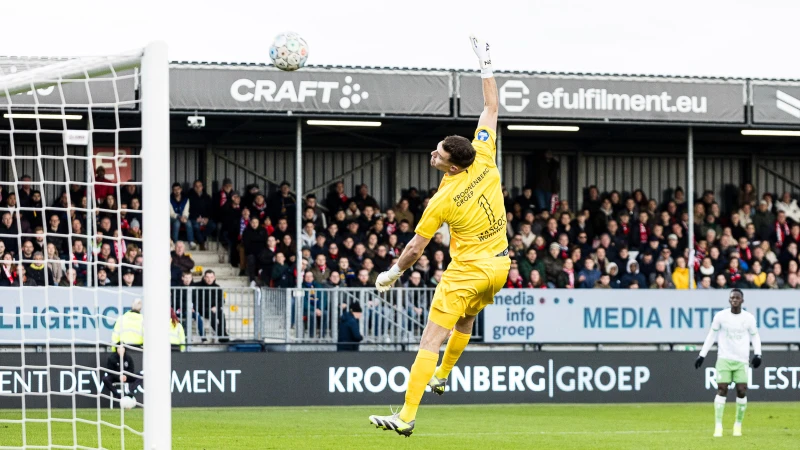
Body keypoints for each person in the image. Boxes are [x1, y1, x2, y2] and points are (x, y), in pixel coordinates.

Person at [369, 36, 509, 437]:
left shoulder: (440, 201)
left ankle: (407, 416)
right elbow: (490, 107)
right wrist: (485, 64)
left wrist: (390, 275)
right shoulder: (484, 155)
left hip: (467, 269)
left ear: (451, 166)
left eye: (438, 155)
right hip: (499, 266)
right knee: (465, 320)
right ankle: (444, 376)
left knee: (430, 339)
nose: (433, 155)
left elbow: (415, 248)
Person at [694, 289, 762, 437]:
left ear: (742, 300)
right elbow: (711, 335)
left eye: (737, 298)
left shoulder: (748, 318)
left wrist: (758, 353)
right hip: (724, 358)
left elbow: (755, 336)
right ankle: (718, 426)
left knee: (742, 391)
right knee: (722, 388)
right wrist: (702, 355)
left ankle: (738, 425)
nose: (734, 300)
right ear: (729, 300)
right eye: (732, 298)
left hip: (742, 360)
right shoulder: (721, 316)